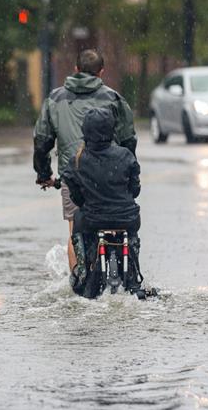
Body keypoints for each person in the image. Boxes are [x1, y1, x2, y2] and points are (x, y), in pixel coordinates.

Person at [33, 49, 137, 272]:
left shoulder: (55, 98)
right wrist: (127, 171)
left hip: (73, 177)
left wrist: (43, 174)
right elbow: (129, 140)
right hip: (111, 175)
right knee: (119, 225)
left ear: (76, 70)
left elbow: (42, 141)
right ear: (101, 72)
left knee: (75, 232)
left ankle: (77, 282)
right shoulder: (113, 98)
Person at [62, 107, 141, 288]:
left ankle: (82, 271)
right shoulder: (126, 156)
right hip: (127, 220)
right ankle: (133, 261)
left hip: (93, 220)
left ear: (85, 132)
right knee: (133, 234)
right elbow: (135, 190)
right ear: (112, 130)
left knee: (77, 220)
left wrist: (86, 203)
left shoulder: (77, 160)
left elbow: (75, 195)